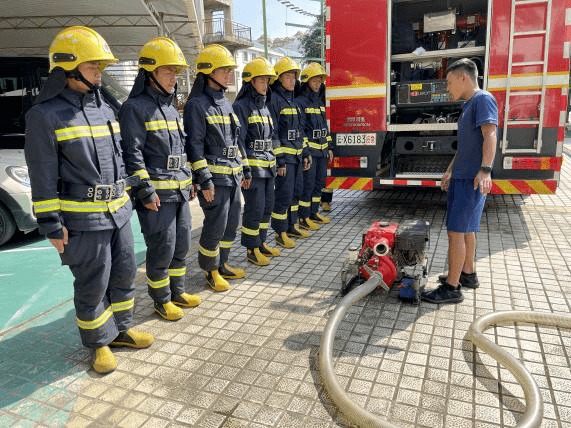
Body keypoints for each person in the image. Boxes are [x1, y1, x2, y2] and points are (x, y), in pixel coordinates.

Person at [24, 26, 154, 374]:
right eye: (93, 66)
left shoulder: (106, 109)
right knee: (93, 283)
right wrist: (51, 224)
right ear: (68, 68)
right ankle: (98, 344)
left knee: (125, 273)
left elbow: (122, 157)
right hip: (82, 219)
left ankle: (121, 331)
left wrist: (135, 194)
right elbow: (42, 175)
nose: (100, 72)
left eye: (100, 66)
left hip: (118, 212)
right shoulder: (44, 116)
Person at [119, 37, 201, 322]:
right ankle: (161, 300)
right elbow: (132, 154)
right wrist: (145, 191)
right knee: (162, 248)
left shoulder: (170, 107)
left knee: (181, 246)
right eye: (168, 71)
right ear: (150, 73)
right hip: (156, 196)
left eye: (175, 72)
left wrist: (188, 179)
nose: (173, 78)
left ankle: (177, 291)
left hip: (178, 190)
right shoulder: (134, 108)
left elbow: (180, 148)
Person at [421, 58, 497, 304]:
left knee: (456, 233)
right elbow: (466, 145)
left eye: (449, 82)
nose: (447, 88)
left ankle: (452, 288)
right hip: (462, 176)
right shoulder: (469, 105)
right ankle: (467, 273)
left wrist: (485, 170)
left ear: (464, 77)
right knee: (467, 230)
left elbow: (490, 134)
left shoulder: (483, 99)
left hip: (471, 179)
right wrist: (450, 170)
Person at [184, 44, 251, 292]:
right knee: (215, 225)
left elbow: (235, 141)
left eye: (230, 70)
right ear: (208, 72)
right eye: (224, 70)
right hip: (215, 179)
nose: (229, 74)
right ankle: (210, 271)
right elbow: (194, 145)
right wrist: (204, 180)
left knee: (231, 223)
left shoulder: (225, 102)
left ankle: (222, 264)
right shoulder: (196, 105)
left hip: (232, 176)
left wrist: (244, 169)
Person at [233, 57, 281, 266]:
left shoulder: (265, 107)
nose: (265, 85)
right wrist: (246, 170)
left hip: (268, 168)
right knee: (254, 209)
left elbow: (271, 138)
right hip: (253, 170)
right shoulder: (241, 107)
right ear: (250, 82)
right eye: (261, 81)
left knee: (266, 207)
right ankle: (251, 250)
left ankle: (261, 243)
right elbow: (239, 141)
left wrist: (278, 163)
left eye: (267, 81)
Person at [268, 57, 311, 248]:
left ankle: (291, 225)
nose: (293, 80)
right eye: (288, 76)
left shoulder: (293, 101)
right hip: (285, 160)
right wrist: (280, 161)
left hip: (297, 156)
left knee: (296, 193)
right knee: (284, 196)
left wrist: (306, 152)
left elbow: (300, 131)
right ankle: (280, 232)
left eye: (294, 76)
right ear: (278, 79)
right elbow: (274, 132)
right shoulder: (275, 101)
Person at [296, 62, 333, 230]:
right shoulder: (300, 102)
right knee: (308, 186)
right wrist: (306, 152)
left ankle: (313, 213)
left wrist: (330, 148)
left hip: (322, 152)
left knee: (319, 184)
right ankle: (303, 217)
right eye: (315, 81)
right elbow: (301, 130)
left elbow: (324, 128)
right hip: (311, 153)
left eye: (320, 81)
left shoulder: (319, 102)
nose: (318, 84)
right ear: (306, 82)